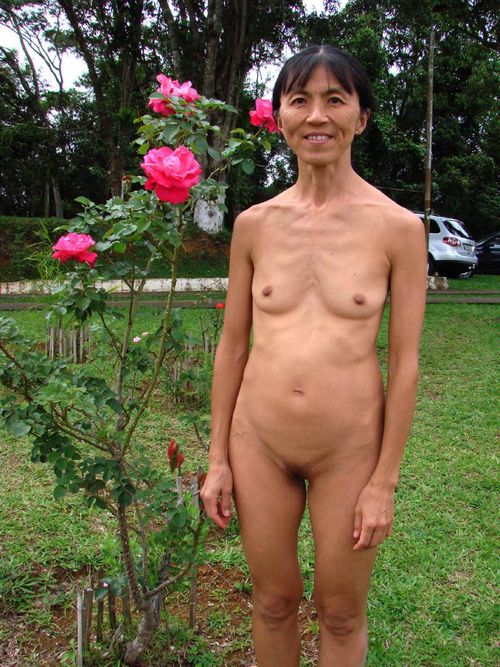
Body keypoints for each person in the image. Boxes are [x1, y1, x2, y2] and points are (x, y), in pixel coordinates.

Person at [200, 44, 427, 667]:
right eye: (300, 100)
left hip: (350, 449)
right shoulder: (254, 225)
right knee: (273, 601)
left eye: (335, 99)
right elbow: (233, 345)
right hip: (258, 442)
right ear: (280, 117)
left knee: (341, 609)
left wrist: (384, 481)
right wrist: (217, 459)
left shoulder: (399, 229)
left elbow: (405, 362)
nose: (317, 115)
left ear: (362, 117)